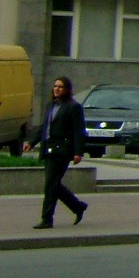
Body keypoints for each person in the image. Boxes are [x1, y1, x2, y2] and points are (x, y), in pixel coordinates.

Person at [22, 77, 88, 229]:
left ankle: (47, 219)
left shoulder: (73, 107)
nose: (56, 89)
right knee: (54, 185)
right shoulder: (50, 105)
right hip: (48, 149)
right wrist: (32, 142)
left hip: (62, 151)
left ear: (67, 89)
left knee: (50, 185)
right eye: (55, 86)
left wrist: (78, 152)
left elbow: (79, 131)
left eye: (60, 87)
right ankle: (78, 206)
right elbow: (44, 127)